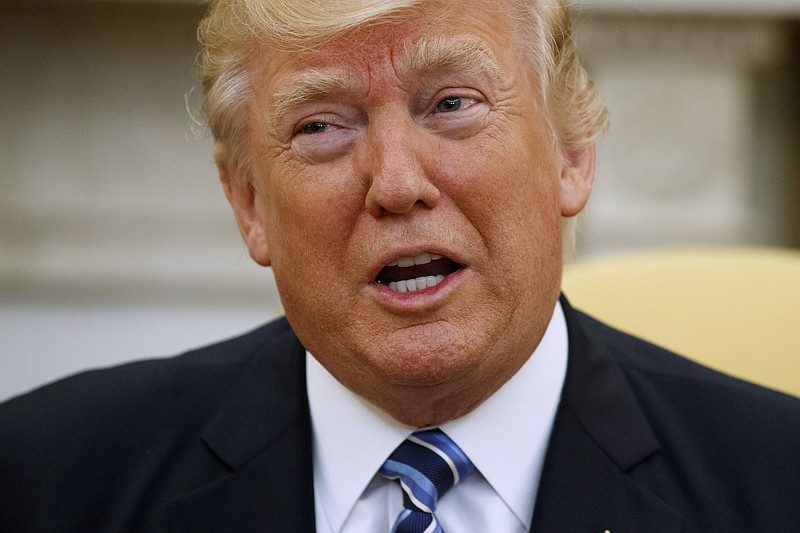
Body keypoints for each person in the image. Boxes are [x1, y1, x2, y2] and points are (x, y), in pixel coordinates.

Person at [1, 0, 799, 531]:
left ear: (572, 152)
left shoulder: (776, 482)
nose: (396, 184)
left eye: (451, 104)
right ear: (248, 201)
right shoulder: (45, 478)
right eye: (320, 126)